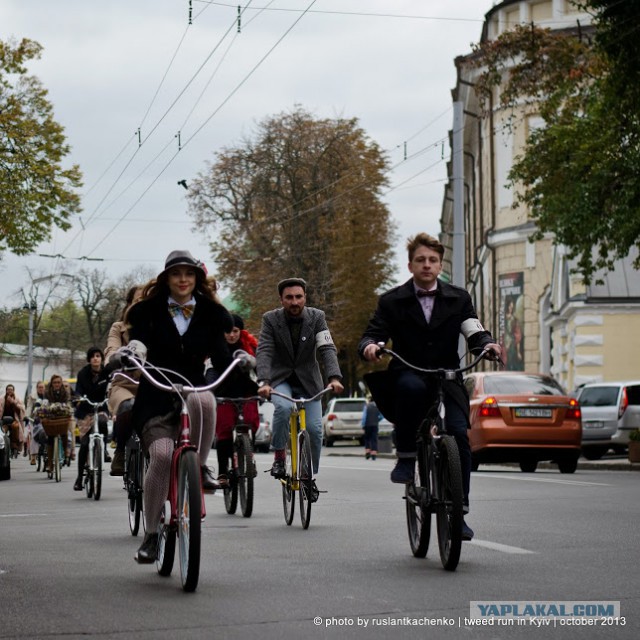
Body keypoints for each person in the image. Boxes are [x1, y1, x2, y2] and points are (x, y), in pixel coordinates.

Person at [358, 233, 501, 541]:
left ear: (440, 265)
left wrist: (487, 345)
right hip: (409, 371)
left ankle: (458, 512)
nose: (427, 265)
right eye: (421, 260)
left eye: (433, 260)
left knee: (460, 436)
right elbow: (374, 333)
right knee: (408, 390)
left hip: (447, 374)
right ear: (410, 265)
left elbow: (472, 330)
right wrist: (371, 346)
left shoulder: (458, 298)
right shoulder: (392, 301)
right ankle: (407, 456)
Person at [126, 250, 234, 563]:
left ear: (197, 279)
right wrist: (135, 350)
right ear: (166, 279)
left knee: (205, 398)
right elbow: (141, 340)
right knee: (160, 456)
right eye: (176, 274)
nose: (183, 280)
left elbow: (221, 354)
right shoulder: (148, 311)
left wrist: (238, 363)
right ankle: (151, 534)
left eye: (189, 274)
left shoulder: (212, 314)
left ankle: (198, 465)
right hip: (157, 392)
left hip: (193, 385)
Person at [256, 278, 344, 500]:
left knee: (315, 430)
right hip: (280, 379)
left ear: (305, 297)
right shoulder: (270, 319)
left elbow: (327, 348)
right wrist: (264, 381)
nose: (294, 302)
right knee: (283, 408)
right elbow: (264, 350)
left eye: (298, 297)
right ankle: (278, 457)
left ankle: (308, 477)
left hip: (308, 381)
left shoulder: (317, 317)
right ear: (281, 299)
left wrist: (334, 377)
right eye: (289, 297)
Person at [213, 313, 259, 485]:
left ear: (241, 331)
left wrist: (263, 385)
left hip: (246, 391)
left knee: (251, 420)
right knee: (223, 430)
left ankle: (248, 456)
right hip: (223, 393)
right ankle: (223, 471)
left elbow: (259, 369)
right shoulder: (216, 347)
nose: (231, 335)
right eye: (227, 331)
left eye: (235, 331)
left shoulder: (249, 346)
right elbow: (210, 371)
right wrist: (209, 389)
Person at [104, 285, 144, 476]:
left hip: (151, 382)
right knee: (128, 406)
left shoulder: (158, 326)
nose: (141, 304)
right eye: (137, 301)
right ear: (129, 304)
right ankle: (120, 451)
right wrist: (114, 358)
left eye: (146, 301)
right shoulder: (118, 328)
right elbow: (112, 347)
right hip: (124, 381)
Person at [73, 347, 111, 491]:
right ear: (89, 359)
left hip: (101, 407)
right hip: (85, 410)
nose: (95, 358)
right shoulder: (83, 373)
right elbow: (78, 389)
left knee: (102, 422)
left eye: (98, 356)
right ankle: (79, 478)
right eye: (93, 356)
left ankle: (105, 450)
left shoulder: (107, 373)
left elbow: (111, 387)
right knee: (84, 444)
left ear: (101, 358)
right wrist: (78, 397)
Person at [44, 374, 73, 471]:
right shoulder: (47, 392)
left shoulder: (65, 392)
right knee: (50, 437)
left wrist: (67, 408)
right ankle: (50, 464)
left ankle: (65, 454)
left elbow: (68, 402)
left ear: (61, 383)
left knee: (65, 434)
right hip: (51, 416)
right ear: (51, 384)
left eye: (58, 382)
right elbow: (44, 403)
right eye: (55, 382)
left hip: (62, 416)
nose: (57, 384)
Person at [26, 381, 47, 465]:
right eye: (39, 387)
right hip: (35, 418)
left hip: (47, 418)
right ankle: (33, 456)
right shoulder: (32, 397)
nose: (41, 389)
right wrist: (27, 416)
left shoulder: (48, 396)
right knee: (34, 434)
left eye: (42, 387)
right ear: (37, 388)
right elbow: (29, 407)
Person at [0, 384, 25, 457]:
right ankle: (3, 445)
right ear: (6, 390)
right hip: (3, 420)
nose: (9, 391)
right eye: (8, 389)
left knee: (15, 427)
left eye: (11, 389)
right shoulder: (1, 399)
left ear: (14, 391)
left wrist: (13, 402)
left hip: (14, 420)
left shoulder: (18, 399)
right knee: (3, 430)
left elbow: (22, 410)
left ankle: (14, 446)